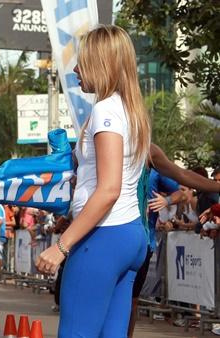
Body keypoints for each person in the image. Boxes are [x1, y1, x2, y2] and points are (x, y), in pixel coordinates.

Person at [35, 25, 151, 337]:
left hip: (103, 238)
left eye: (83, 62)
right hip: (129, 235)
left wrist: (61, 246)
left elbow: (109, 189)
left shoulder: (106, 110)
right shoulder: (133, 111)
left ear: (102, 64)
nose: (75, 69)